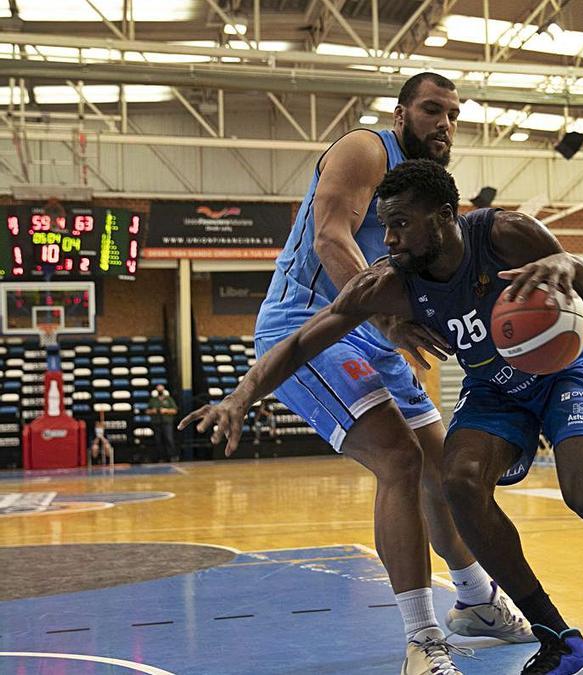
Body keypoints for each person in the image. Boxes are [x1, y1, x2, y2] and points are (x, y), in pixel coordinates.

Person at [189, 160, 583, 673]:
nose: (387, 238)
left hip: (563, 377)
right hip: (494, 392)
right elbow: (303, 341)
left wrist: (572, 266)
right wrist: (241, 396)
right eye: (384, 224)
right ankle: (557, 638)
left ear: (444, 215)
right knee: (456, 481)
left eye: (399, 223)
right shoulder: (390, 283)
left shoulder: (506, 233)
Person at [188, 74, 531, 675]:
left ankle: (476, 601)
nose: (444, 123)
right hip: (309, 322)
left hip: (374, 327)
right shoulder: (365, 149)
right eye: (431, 110)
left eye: (453, 114)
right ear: (402, 112)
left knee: (445, 470)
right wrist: (387, 320)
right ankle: (423, 639)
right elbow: (330, 236)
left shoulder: (428, 187)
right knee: (398, 460)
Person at [147, 384, 179, 463]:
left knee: (169, 439)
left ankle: (172, 456)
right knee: (158, 441)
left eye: (161, 388)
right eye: (158, 388)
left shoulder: (169, 399)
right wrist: (153, 411)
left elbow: (175, 410)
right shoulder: (153, 400)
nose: (160, 390)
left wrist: (166, 411)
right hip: (156, 422)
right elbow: (147, 411)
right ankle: (161, 457)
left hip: (167, 422)